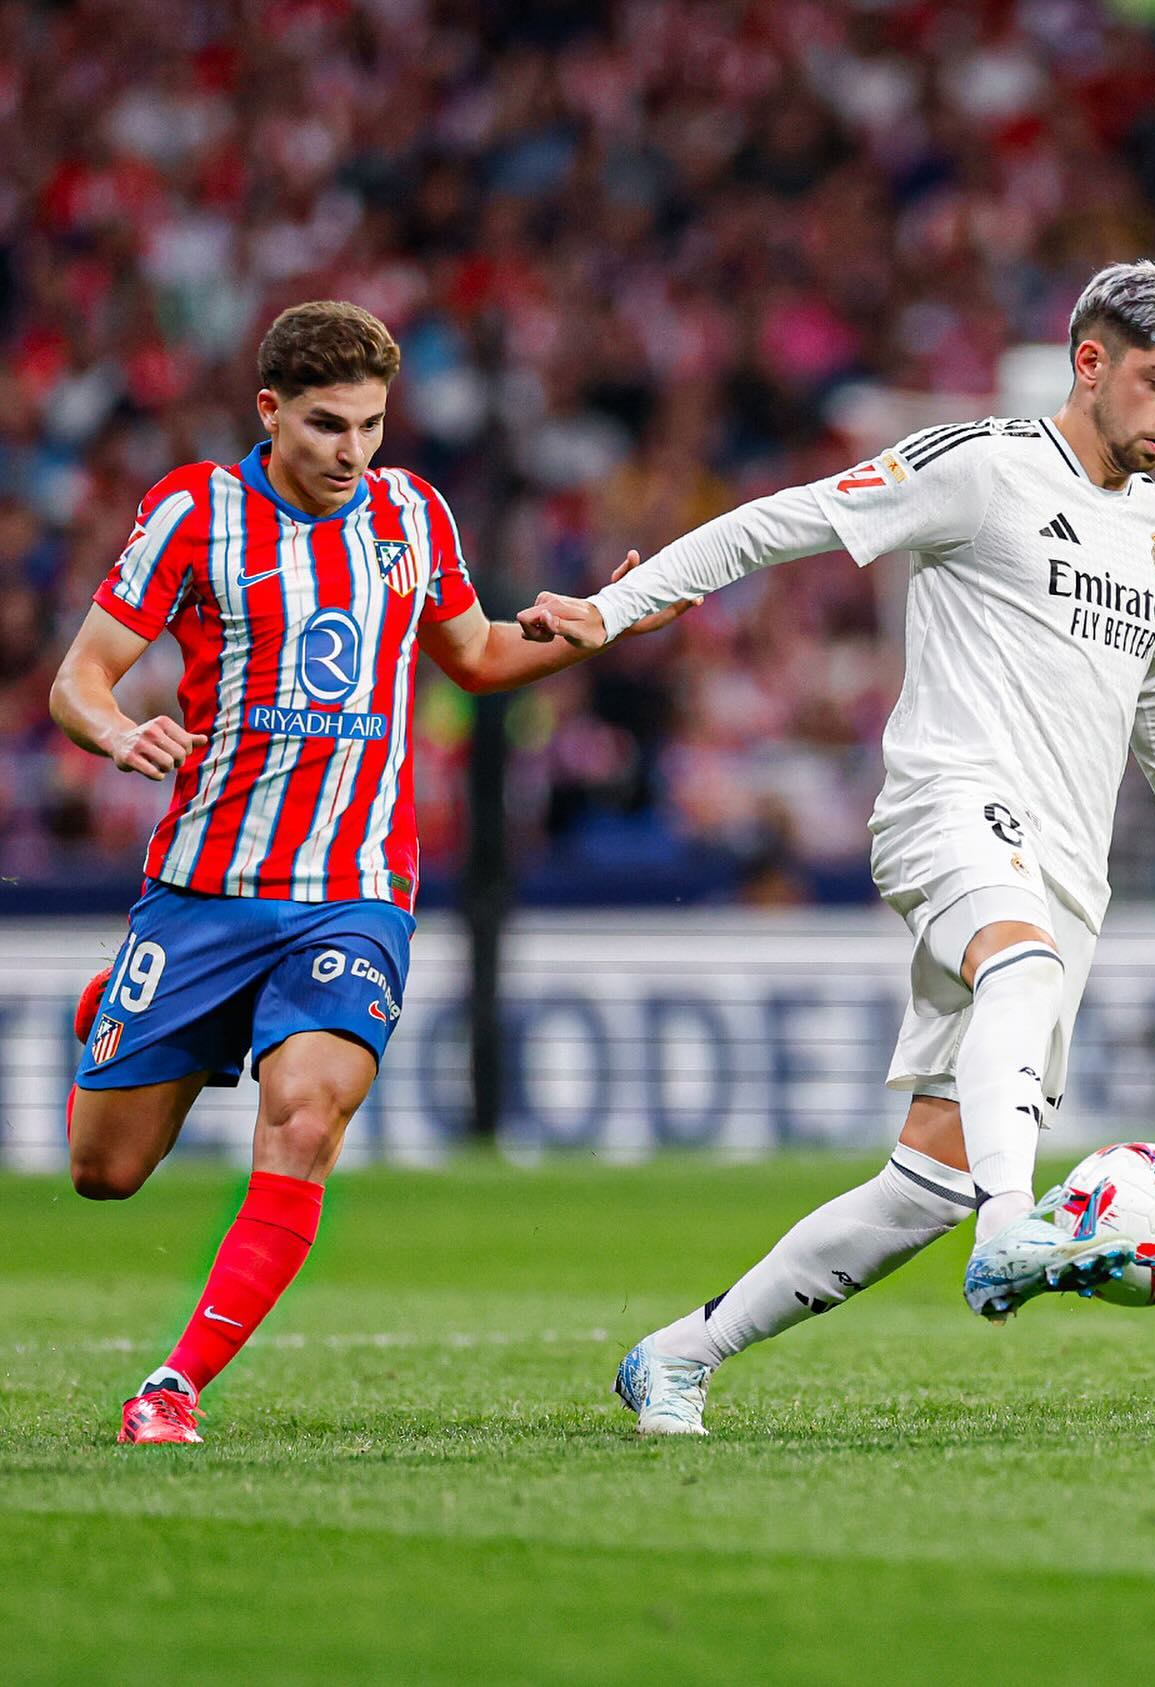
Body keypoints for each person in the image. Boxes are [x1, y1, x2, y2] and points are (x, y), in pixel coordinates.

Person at [518, 259, 1155, 1435]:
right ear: (1090, 364)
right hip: (949, 804)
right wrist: (616, 606)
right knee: (1021, 969)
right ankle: (1018, 1228)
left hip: (1066, 861)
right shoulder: (984, 468)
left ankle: (679, 1356)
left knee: (925, 1186)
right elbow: (783, 521)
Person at [54, 299, 691, 1445]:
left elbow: (480, 652)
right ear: (270, 411)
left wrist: (607, 623)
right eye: (327, 426)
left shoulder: (409, 513)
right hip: (205, 888)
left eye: (372, 425)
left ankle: (173, 1385)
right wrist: (117, 734)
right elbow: (81, 678)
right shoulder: (194, 513)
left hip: (356, 889)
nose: (354, 453)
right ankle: (113, 1013)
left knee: (303, 1122)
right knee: (105, 1173)